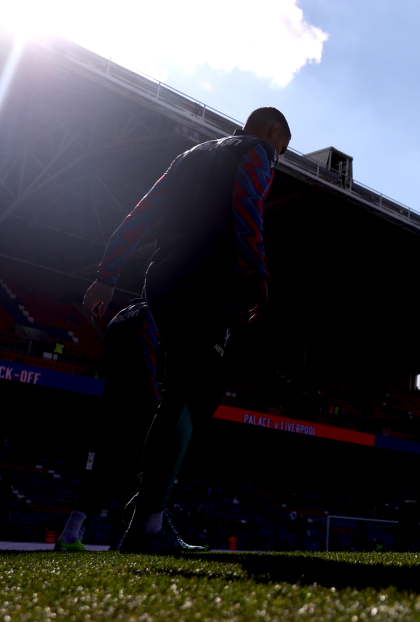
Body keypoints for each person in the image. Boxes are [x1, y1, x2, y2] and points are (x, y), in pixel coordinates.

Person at [82, 107, 291, 554]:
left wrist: (107, 271)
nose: (278, 158)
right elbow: (246, 204)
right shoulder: (258, 151)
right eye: (282, 149)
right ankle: (148, 520)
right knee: (193, 394)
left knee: (189, 390)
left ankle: (148, 512)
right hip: (206, 277)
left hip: (162, 275)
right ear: (273, 132)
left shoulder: (189, 155)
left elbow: (143, 211)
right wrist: (258, 272)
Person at [53, 299, 204, 552]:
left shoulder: (120, 315)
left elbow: (107, 357)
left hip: (113, 398)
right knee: (138, 474)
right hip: (138, 402)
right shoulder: (153, 311)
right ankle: (123, 540)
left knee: (109, 467)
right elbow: (145, 354)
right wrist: (156, 401)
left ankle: (71, 533)